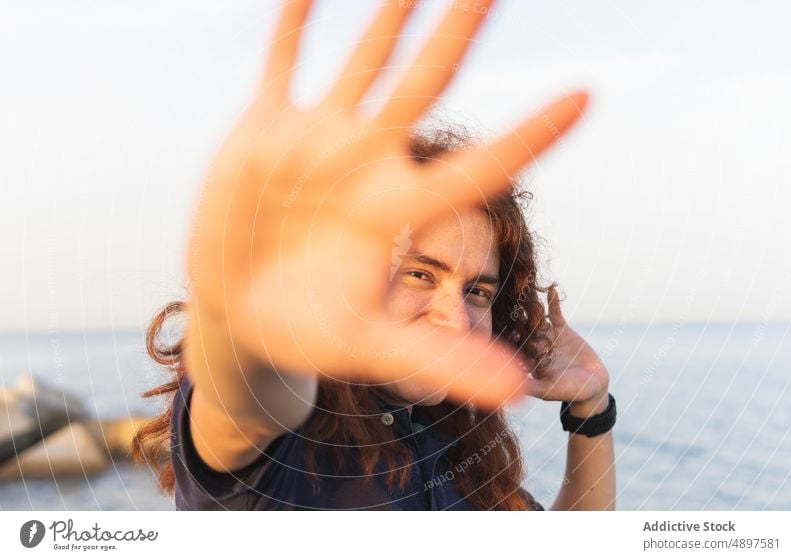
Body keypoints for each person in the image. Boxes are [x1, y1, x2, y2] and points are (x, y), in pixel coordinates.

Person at [133, 0, 615, 511]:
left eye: (477, 291)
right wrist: (244, 326)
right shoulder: (283, 451)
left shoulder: (456, 452)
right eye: (419, 274)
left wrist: (591, 410)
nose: (455, 320)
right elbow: (243, 401)